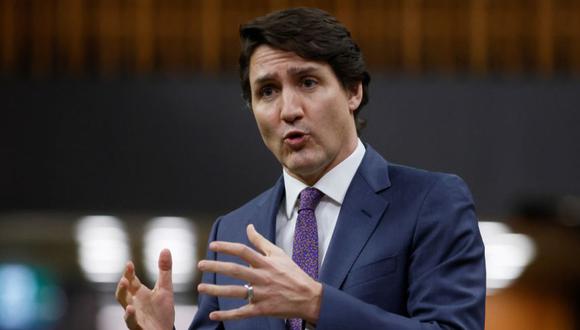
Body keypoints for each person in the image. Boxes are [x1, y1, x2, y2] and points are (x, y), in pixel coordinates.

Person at [116, 7, 486, 330]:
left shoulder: (430, 202)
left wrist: (317, 305)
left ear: (353, 90)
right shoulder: (231, 233)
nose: (288, 109)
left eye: (307, 82)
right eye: (267, 91)